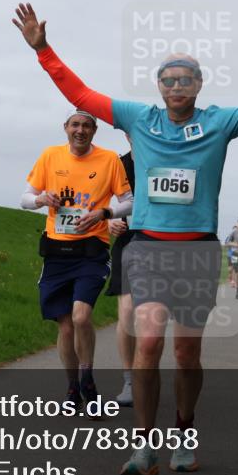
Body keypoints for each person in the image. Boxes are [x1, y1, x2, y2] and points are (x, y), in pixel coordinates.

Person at [12, 2, 238, 475]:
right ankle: (143, 449)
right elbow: (79, 92)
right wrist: (43, 50)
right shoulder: (139, 119)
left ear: (199, 86)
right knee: (148, 344)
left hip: (197, 250)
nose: (176, 86)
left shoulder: (220, 122)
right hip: (147, 249)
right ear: (158, 87)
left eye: (185, 79)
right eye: (168, 80)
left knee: (186, 354)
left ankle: (183, 430)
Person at [21, 111, 133, 414]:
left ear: (94, 130)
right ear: (66, 129)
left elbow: (129, 201)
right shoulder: (50, 156)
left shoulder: (109, 160)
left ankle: (88, 379)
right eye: (75, 125)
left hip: (91, 250)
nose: (80, 130)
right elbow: (25, 198)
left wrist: (105, 214)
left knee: (82, 316)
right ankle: (72, 387)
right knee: (66, 327)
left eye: (86, 126)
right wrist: (42, 200)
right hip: (56, 251)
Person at [104, 141, 137, 406]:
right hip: (128, 242)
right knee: (126, 311)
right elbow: (93, 198)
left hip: (163, 244)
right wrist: (108, 221)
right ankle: (130, 381)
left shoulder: (168, 155)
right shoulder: (116, 163)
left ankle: (146, 373)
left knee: (153, 316)